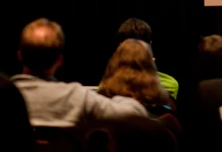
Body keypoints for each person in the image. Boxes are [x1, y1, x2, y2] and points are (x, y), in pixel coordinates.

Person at [11, 19, 147, 128]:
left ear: (19, 55)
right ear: (59, 60)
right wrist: (116, 98)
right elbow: (135, 114)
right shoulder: (77, 97)